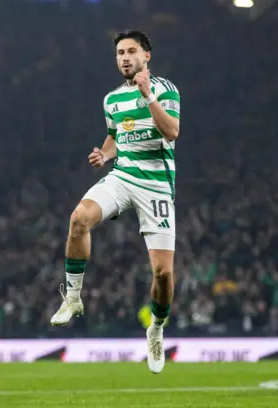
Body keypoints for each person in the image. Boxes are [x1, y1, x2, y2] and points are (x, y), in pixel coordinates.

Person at [49, 30, 181, 374]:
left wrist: (148, 96)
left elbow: (172, 132)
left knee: (163, 274)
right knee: (78, 219)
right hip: (123, 177)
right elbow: (115, 135)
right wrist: (105, 155)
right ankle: (73, 298)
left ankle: (156, 328)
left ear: (146, 56)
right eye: (120, 52)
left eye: (131, 51)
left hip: (156, 185)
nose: (124, 57)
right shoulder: (111, 100)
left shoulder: (166, 90)